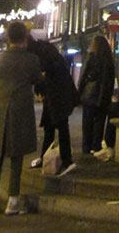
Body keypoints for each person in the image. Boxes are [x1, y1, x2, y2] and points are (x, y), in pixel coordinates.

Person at [0, 20, 42, 216]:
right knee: (17, 155)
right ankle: (13, 200)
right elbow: (37, 80)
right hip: (21, 107)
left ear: (8, 37)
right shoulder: (31, 59)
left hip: (1, 107)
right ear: (25, 37)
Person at [28, 33, 78, 176]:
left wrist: (41, 79)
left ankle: (67, 160)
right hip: (55, 92)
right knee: (50, 126)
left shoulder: (41, 53)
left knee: (61, 124)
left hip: (57, 93)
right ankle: (45, 157)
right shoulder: (44, 49)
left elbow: (48, 70)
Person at [77, 33, 115, 156]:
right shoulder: (109, 60)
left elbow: (83, 76)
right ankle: (96, 145)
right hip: (104, 95)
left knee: (87, 121)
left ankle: (86, 147)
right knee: (100, 121)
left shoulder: (91, 57)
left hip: (90, 93)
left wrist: (80, 90)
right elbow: (110, 80)